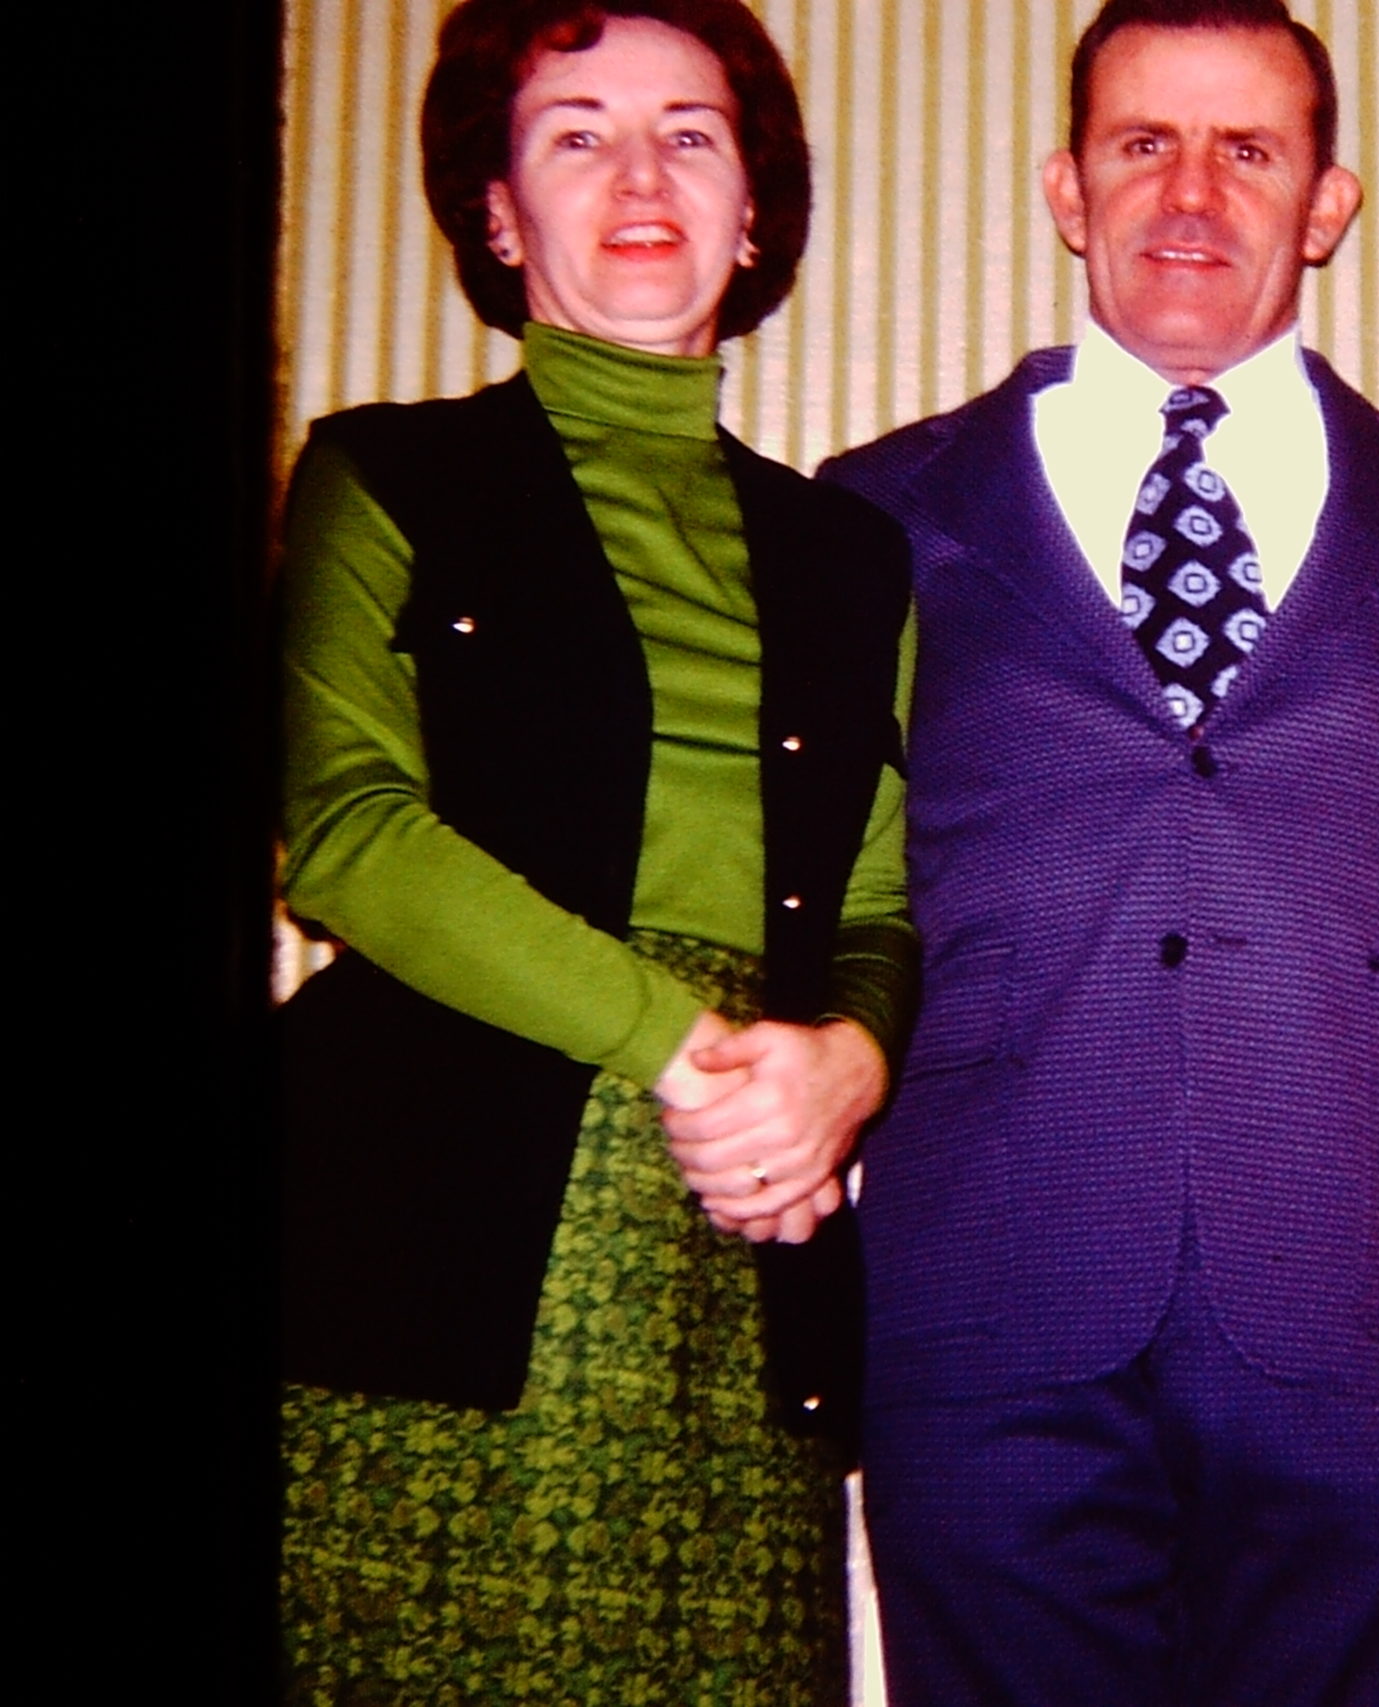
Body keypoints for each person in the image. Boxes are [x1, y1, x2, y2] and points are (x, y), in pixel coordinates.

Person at [819, 1, 1379, 1700]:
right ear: (1069, 188)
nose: (1194, 195)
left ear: (1328, 205)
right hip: (993, 1308)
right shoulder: (875, 508)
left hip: (1365, 1308)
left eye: (1250, 151)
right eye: (1145, 143)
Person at [271, 1, 912, 1699]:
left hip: (748, 1244)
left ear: (752, 209)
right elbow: (347, 835)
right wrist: (692, 1054)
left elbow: (877, 903)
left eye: (689, 134)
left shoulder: (854, 555)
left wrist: (845, 1069)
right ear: (499, 213)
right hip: (422, 1234)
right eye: (577, 134)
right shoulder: (382, 475)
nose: (641, 177)